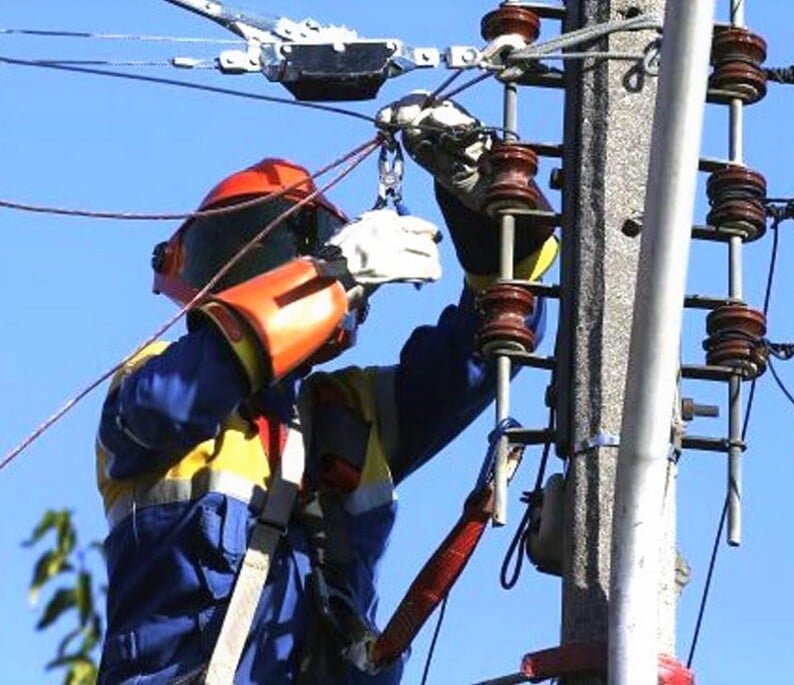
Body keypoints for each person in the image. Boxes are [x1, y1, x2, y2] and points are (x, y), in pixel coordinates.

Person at [93, 95, 557, 684]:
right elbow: (171, 402)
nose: (274, 271)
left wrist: (486, 207)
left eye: (294, 252)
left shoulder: (348, 415)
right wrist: (331, 277)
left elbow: (494, 340)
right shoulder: (150, 384)